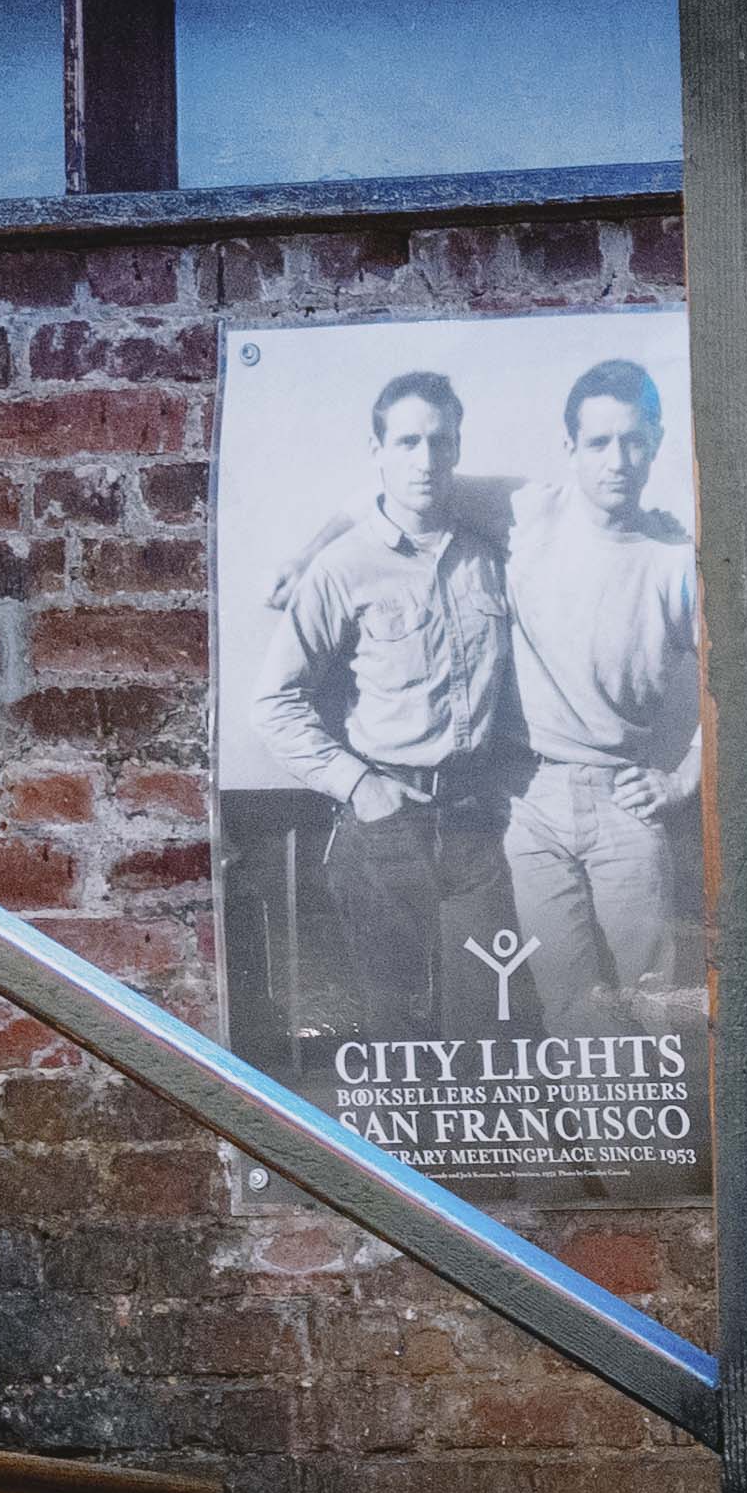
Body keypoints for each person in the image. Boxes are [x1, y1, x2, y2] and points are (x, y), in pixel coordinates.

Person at [255, 368, 516, 1043]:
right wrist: (361, 786)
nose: (424, 460)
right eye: (405, 443)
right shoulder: (342, 568)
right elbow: (274, 704)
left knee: (489, 1026)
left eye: (440, 442)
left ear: (458, 449)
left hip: (475, 823)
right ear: (377, 453)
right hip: (384, 823)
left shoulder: (490, 554)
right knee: (395, 1035)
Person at [499, 355, 704, 1036]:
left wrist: (680, 781)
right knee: (569, 1003)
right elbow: (410, 490)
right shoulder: (529, 511)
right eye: (598, 442)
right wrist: (303, 562)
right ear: (571, 449)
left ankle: (664, 1148)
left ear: (656, 443)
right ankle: (614, 1149)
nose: (617, 460)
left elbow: (736, 679)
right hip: (530, 800)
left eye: (633, 440)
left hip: (623, 798)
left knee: (655, 999)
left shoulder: (679, 559)